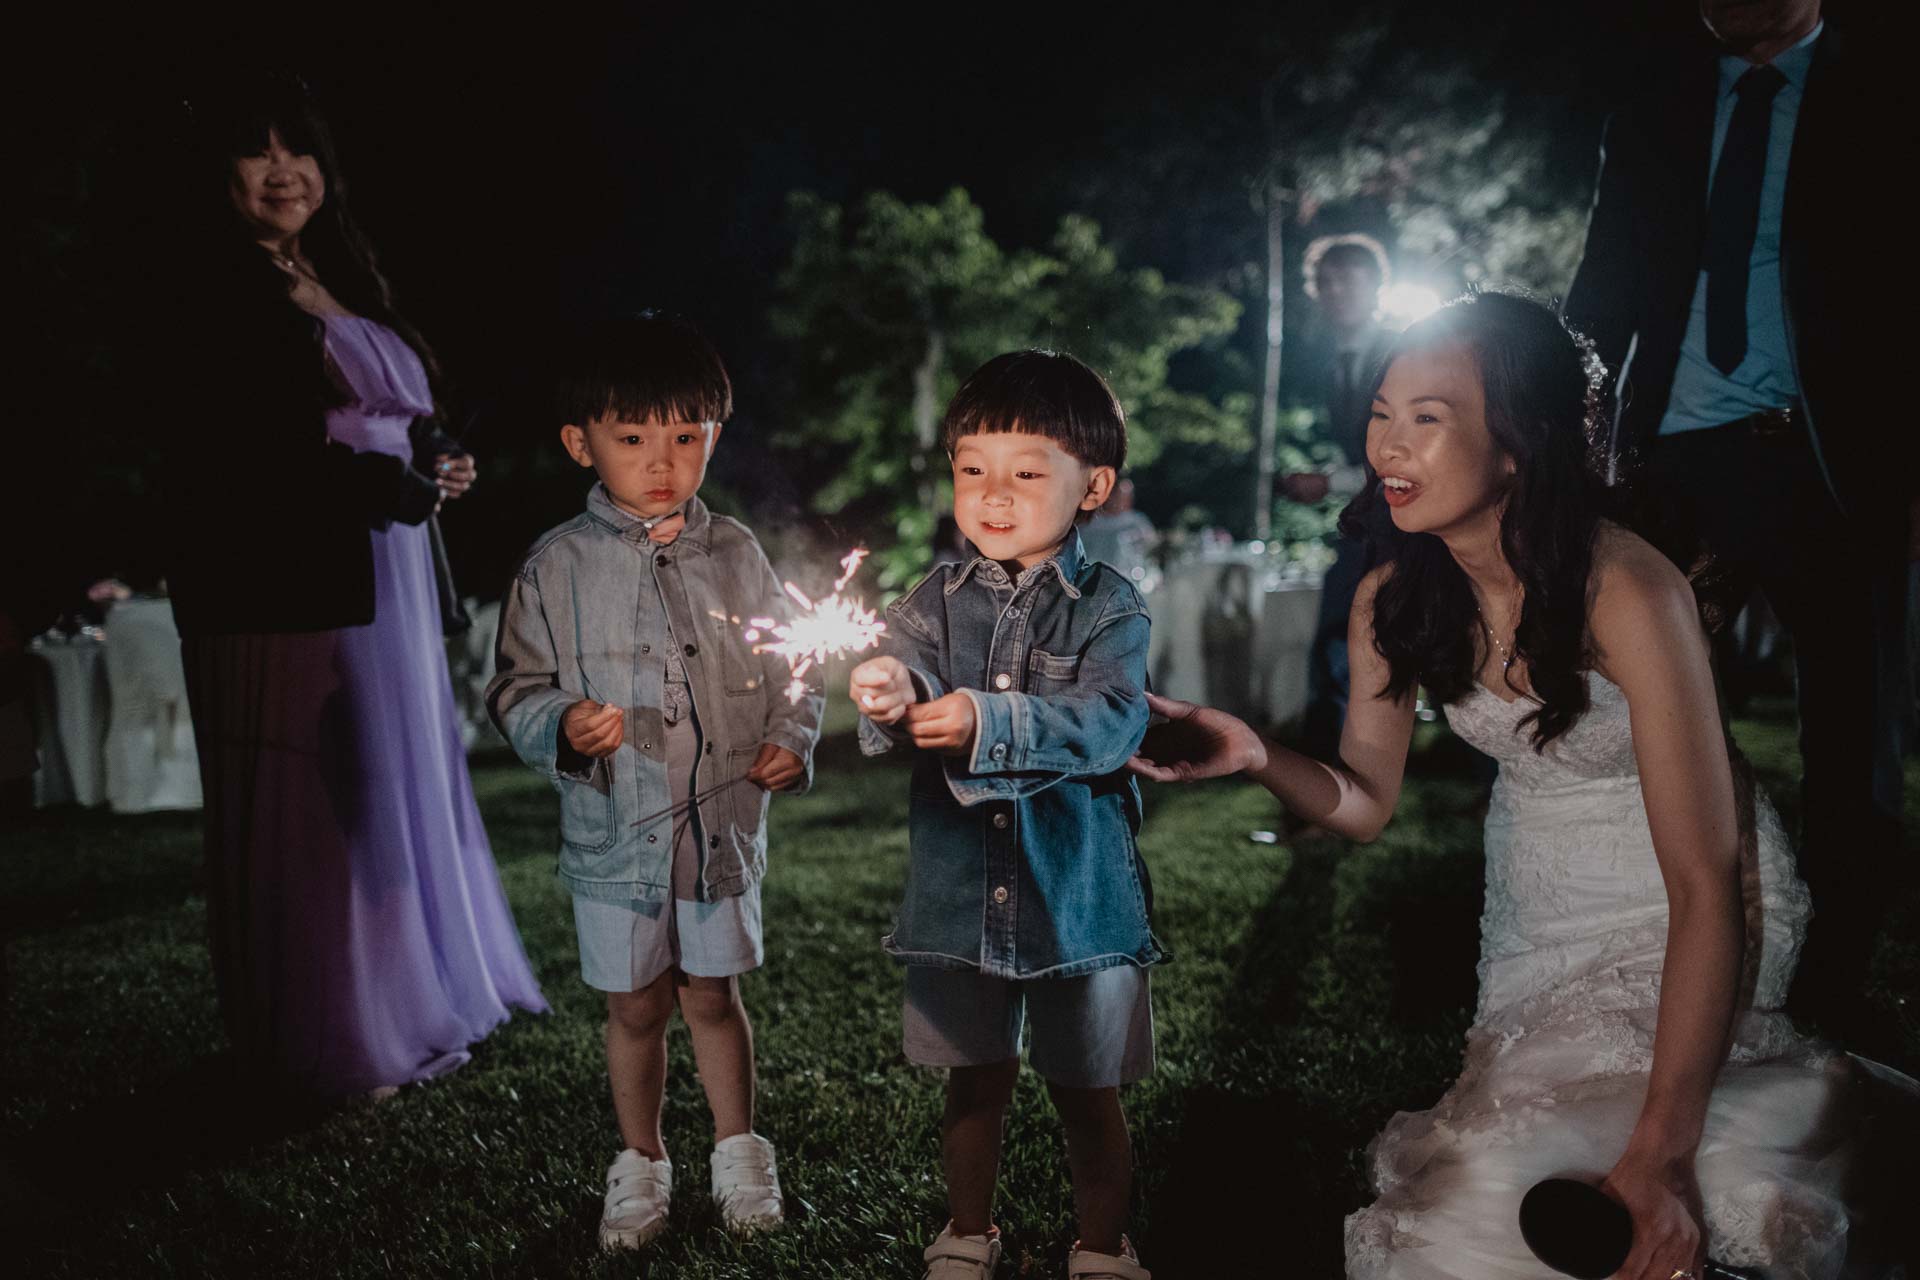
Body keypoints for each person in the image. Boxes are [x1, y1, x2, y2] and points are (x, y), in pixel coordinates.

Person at [1129, 291, 1912, 1278]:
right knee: (1508, 1168)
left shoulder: (1629, 587)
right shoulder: (1394, 590)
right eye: (1381, 410)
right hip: (1536, 910)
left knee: (1694, 1177)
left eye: (1428, 416)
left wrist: (1661, 1158)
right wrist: (1253, 754)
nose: (1390, 446)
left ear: (1520, 441)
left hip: (1688, 899)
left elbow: (1706, 881)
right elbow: (1364, 803)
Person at [163, 76, 544, 1100]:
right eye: (259, 151)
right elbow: (239, 453)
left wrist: (435, 457)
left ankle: (419, 988)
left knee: (394, 780)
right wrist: (388, 479)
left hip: (391, 564)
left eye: (301, 150)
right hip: (292, 575)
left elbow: (395, 419)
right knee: (320, 795)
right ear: (220, 176)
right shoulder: (216, 290)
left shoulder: (332, 275)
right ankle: (331, 1030)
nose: (283, 170)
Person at [1561, 0, 1908, 1040]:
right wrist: (1567, 448)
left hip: (1832, 463)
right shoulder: (1655, 103)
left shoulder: (1883, 96)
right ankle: (1640, 959)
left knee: (1854, 733)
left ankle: (1829, 990)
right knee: (1633, 716)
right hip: (1670, 463)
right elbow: (1601, 293)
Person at [486, 313, 823, 1251]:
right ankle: (639, 1163)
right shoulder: (557, 565)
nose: (661, 461)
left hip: (720, 832)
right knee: (635, 1004)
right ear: (579, 442)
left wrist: (793, 736)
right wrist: (560, 724)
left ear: (716, 432)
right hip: (614, 829)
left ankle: (738, 1149)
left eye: (686, 436)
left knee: (713, 995)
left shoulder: (738, 555)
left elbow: (797, 663)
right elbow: (515, 684)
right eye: (632, 439)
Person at [850, 350, 1159, 1280]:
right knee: (974, 1081)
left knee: (1087, 1090)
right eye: (971, 469)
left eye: (1026, 473)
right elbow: (899, 673)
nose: (992, 494)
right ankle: (966, 1232)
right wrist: (887, 690)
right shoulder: (931, 603)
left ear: (1091, 485)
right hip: (960, 898)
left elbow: (1110, 724)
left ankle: (1102, 1245)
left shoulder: (1109, 610)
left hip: (1076, 902)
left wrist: (994, 718)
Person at [1284, 234, 1398, 762]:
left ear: (1376, 285)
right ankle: (1332, 768)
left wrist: (1331, 484)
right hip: (1372, 522)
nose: (1336, 290)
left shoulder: (1401, 352)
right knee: (1337, 638)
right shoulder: (1338, 364)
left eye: (1348, 278)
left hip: (1414, 524)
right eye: (1325, 281)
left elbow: (1406, 447)